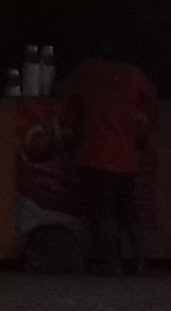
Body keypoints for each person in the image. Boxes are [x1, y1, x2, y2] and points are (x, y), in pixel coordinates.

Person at [62, 53, 159, 276]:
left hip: (95, 155)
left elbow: (62, 91)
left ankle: (111, 262)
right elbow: (151, 97)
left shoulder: (89, 70)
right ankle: (139, 260)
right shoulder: (134, 74)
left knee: (103, 212)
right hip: (126, 157)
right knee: (128, 212)